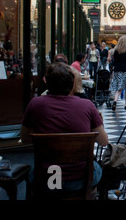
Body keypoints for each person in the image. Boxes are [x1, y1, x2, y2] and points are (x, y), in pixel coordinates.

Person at [20, 62, 108, 190]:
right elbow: (103, 142)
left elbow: (24, 138)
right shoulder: (87, 105)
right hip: (80, 179)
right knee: (99, 168)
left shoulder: (35, 104)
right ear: (72, 83)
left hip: (46, 177)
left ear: (47, 82)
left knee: (32, 172)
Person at [109, 36, 126, 112]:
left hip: (118, 70)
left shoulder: (116, 51)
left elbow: (115, 61)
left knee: (119, 88)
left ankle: (115, 101)